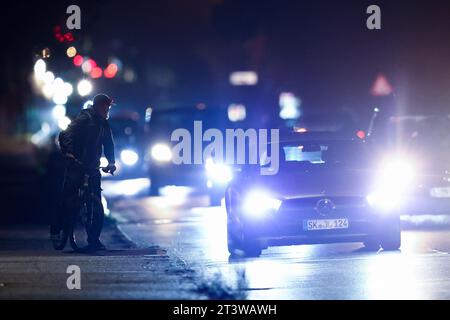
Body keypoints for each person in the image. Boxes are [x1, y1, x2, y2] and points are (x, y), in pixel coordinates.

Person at [51, 94, 117, 251]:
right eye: (104, 107)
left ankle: (94, 239)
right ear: (96, 106)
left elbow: (108, 143)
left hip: (93, 167)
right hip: (77, 165)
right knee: (67, 197)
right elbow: (66, 134)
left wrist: (111, 162)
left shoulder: (104, 123)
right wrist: (68, 152)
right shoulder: (85, 119)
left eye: (108, 107)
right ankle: (57, 230)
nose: (107, 110)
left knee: (96, 205)